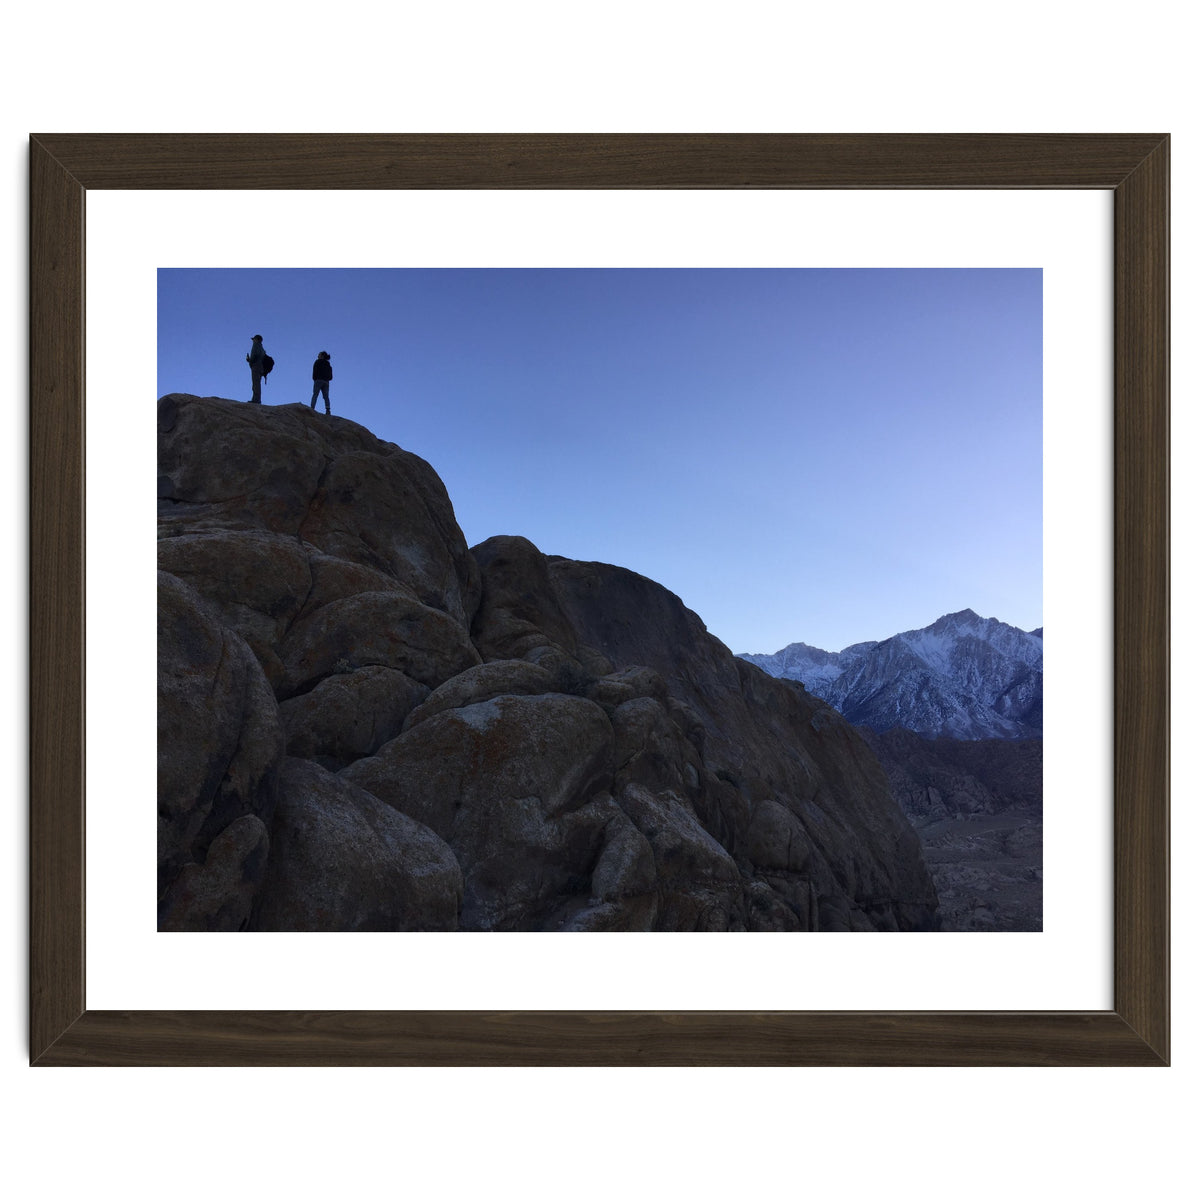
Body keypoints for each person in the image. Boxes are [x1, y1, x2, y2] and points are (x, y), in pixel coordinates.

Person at [246, 334, 267, 403]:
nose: (253, 341)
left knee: (256, 384)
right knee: (257, 383)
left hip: (256, 366)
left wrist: (250, 360)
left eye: (254, 339)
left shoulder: (256, 345)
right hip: (261, 368)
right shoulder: (262, 349)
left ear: (257, 339)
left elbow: (255, 355)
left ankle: (256, 400)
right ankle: (256, 399)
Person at [310, 350, 333, 415]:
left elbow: (314, 372)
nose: (318, 356)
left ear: (322, 356)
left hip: (318, 380)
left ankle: (312, 408)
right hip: (326, 382)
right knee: (326, 396)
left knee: (315, 394)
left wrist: (315, 379)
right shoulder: (328, 365)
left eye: (319, 354)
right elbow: (331, 376)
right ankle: (328, 410)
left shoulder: (317, 362)